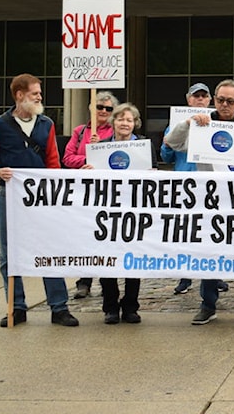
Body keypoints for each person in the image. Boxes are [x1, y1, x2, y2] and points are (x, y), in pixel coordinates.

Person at [165, 78, 234, 326]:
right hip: (209, 201)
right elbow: (171, 142)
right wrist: (190, 121)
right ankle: (208, 304)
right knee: (210, 252)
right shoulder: (201, 125)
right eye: (220, 100)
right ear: (214, 100)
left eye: (230, 101)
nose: (225, 105)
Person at [0, 73, 79, 327]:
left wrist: (56, 191)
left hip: (42, 196)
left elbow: (53, 160)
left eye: (39, 93)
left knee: (49, 249)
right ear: (20, 95)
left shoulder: (46, 123)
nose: (39, 97)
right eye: (35, 93)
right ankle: (17, 307)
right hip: (10, 195)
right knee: (10, 254)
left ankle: (59, 307)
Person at [160, 82, 228, 296]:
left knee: (211, 230)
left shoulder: (219, 123)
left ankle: (214, 274)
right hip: (184, 183)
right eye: (195, 96)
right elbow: (165, 157)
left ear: (210, 100)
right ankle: (185, 275)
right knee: (186, 231)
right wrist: (167, 145)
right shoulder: (175, 124)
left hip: (210, 183)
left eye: (203, 96)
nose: (199, 99)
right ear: (188, 99)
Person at [93, 103, 151, 325]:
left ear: (134, 123)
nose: (124, 123)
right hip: (108, 210)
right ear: (113, 122)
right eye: (120, 119)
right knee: (107, 258)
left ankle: (130, 306)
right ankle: (110, 307)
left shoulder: (144, 147)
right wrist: (89, 168)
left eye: (129, 120)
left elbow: (153, 175)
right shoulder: (100, 148)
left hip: (134, 209)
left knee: (133, 259)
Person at [63, 90, 119, 300]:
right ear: (91, 108)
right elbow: (68, 158)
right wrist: (89, 154)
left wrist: (99, 152)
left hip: (107, 192)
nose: (103, 111)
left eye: (108, 108)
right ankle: (84, 281)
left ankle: (108, 283)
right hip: (84, 191)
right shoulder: (80, 132)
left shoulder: (115, 132)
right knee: (86, 235)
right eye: (99, 107)